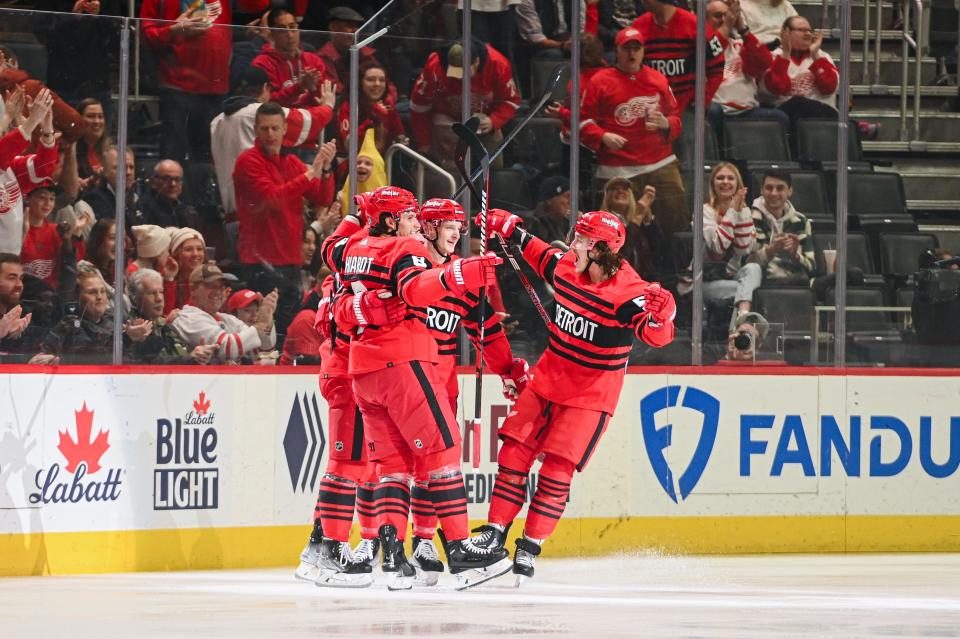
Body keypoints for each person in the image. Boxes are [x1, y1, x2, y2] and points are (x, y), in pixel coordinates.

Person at [468, 208, 675, 581]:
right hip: (547, 381)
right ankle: (494, 533)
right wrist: (511, 229)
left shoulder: (629, 292)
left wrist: (664, 318)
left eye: (580, 239)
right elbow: (541, 255)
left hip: (589, 398)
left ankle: (529, 547)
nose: (572, 244)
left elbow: (654, 336)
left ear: (598, 249)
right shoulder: (568, 268)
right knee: (514, 453)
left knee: (555, 472)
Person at [321, 186, 511, 590]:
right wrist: (459, 273)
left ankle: (393, 556)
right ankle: (459, 550)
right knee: (443, 453)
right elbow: (413, 288)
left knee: (393, 467)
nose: (414, 223)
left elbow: (330, 250)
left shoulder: (354, 248)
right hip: (405, 363)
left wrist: (356, 217)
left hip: (365, 370)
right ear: (392, 220)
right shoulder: (405, 249)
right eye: (409, 215)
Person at [408, 197, 529, 583]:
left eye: (460, 228)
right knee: (410, 466)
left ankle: (423, 541)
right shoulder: (407, 266)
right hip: (408, 378)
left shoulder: (460, 275)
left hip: (443, 383)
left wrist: (507, 369)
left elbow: (486, 330)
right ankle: (389, 543)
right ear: (427, 229)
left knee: (438, 466)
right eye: (449, 227)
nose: (457, 234)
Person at [233, 102, 336, 339]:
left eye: (275, 128)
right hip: (259, 261)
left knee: (284, 328)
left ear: (284, 129)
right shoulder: (248, 162)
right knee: (263, 329)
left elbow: (322, 195)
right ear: (256, 130)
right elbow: (273, 199)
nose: (270, 134)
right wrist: (311, 172)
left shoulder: (290, 163)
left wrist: (327, 169)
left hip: (289, 259)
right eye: (265, 128)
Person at [580, 27, 687, 233]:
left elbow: (676, 119)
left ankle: (679, 265)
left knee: (676, 223)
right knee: (613, 232)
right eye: (626, 48)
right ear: (616, 51)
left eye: (636, 48)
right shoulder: (599, 81)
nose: (632, 53)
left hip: (660, 164)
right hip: (617, 168)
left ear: (643, 51)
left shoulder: (658, 79)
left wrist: (665, 123)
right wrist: (602, 136)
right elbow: (581, 122)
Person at [210, 66, 334, 231]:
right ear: (265, 88)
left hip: (232, 216)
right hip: (259, 219)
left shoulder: (216, 122)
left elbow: (322, 196)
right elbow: (308, 123)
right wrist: (328, 106)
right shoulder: (257, 114)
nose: (270, 133)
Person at [140, 0, 232, 164]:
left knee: (210, 158)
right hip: (177, 85)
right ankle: (171, 190)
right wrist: (173, 30)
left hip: (216, 86)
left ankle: (204, 190)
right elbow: (146, 34)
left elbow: (257, 5)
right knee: (174, 154)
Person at [410, 39, 520, 168]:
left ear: (477, 62)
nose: (460, 78)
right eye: (455, 73)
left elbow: (510, 101)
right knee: (451, 163)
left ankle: (491, 182)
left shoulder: (498, 64)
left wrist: (494, 120)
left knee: (493, 157)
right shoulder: (435, 65)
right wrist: (424, 144)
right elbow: (419, 107)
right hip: (447, 117)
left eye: (465, 73)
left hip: (483, 118)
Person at [706, 0, 790, 137]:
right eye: (718, 16)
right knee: (712, 111)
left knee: (780, 118)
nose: (723, 20)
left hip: (746, 112)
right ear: (705, 20)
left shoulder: (741, 45)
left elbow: (765, 62)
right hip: (718, 110)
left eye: (727, 16)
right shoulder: (699, 46)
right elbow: (711, 52)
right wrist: (727, 26)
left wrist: (743, 29)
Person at [631, 0, 726, 114]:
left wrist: (702, 99)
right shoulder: (638, 26)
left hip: (686, 109)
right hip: (650, 109)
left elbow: (717, 67)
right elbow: (627, 71)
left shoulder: (695, 25)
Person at [696, 162, 760, 331]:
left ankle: (741, 317)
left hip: (732, 276)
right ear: (712, 184)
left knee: (754, 268)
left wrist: (742, 214)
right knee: (744, 290)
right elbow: (718, 246)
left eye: (730, 178)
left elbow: (744, 249)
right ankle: (738, 330)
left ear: (737, 185)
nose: (725, 182)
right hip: (707, 281)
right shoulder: (704, 212)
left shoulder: (744, 211)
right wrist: (732, 212)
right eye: (720, 178)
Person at [171, 264, 277, 364]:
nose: (217, 292)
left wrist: (268, 318)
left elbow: (260, 352)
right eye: (210, 286)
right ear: (193, 289)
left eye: (221, 287)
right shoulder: (187, 317)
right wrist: (261, 323)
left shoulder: (229, 319)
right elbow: (227, 349)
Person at [0, 87, 57, 254]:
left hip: (9, 264)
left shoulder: (11, 168)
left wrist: (46, 127)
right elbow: (4, 149)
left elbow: (43, 166)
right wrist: (31, 120)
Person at [126, 268, 215, 364]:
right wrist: (190, 360)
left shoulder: (166, 325)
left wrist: (200, 356)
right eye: (151, 293)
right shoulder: (130, 328)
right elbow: (155, 364)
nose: (159, 298)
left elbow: (184, 356)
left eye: (161, 292)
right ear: (135, 298)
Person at [762, 16, 839, 126]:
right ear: (786, 33)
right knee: (798, 103)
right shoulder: (773, 57)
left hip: (822, 115)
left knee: (801, 103)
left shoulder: (822, 56)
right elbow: (777, 88)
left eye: (810, 30)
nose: (808, 34)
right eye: (802, 30)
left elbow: (829, 88)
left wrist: (815, 56)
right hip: (787, 116)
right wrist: (785, 56)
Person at [747, 169, 814, 285]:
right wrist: (770, 251)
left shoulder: (801, 221)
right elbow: (744, 265)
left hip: (797, 281)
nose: (774, 193)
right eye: (769, 188)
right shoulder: (749, 218)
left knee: (853, 274)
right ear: (761, 190)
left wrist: (795, 255)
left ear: (790, 191)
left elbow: (811, 266)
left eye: (780, 188)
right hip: (762, 283)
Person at [252, 8, 328, 108]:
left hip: (311, 118)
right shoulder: (262, 64)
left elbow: (325, 98)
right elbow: (267, 104)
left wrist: (314, 88)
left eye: (293, 27)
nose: (290, 35)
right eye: (282, 30)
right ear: (272, 34)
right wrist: (300, 87)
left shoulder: (313, 60)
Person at [336, 60, 407, 155]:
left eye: (382, 80)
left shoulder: (388, 107)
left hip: (384, 163)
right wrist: (374, 116)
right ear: (359, 83)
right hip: (354, 164)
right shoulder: (349, 106)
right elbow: (348, 146)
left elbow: (399, 135)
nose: (377, 84)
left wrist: (402, 140)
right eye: (370, 79)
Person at [601, 178, 665, 283]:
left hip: (643, 285)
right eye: (614, 189)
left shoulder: (638, 223)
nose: (620, 191)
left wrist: (647, 215)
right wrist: (636, 219)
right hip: (618, 284)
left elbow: (660, 250)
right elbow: (621, 257)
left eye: (624, 189)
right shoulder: (602, 222)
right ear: (607, 197)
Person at [19, 183, 80, 288]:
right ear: (27, 199)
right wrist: (23, 233)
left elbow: (71, 266)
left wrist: (68, 239)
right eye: (42, 197)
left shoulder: (57, 230)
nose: (47, 203)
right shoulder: (16, 230)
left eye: (52, 198)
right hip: (23, 293)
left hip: (49, 297)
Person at [135, 160, 201, 229]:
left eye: (177, 179)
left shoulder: (188, 212)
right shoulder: (143, 209)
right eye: (166, 179)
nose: (173, 184)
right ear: (153, 181)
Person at [80, 145, 137, 223]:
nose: (128, 172)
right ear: (105, 171)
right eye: (121, 167)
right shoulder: (94, 200)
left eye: (131, 167)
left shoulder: (137, 199)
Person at [337, 128, 387, 212]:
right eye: (358, 162)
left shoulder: (387, 202)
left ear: (377, 169)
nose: (361, 166)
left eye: (368, 163)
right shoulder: (340, 197)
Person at [163, 227, 206, 314]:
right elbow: (165, 315)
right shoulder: (165, 280)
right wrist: (170, 279)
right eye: (188, 249)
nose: (195, 254)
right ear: (176, 254)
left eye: (199, 249)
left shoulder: (210, 278)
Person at [526, 176, 572, 245]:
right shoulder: (534, 225)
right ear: (549, 199)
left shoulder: (565, 223)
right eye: (567, 196)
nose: (570, 202)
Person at [74, 97, 109, 182]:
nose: (97, 121)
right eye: (91, 116)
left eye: (100, 116)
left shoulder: (111, 152)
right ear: (79, 119)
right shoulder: (70, 151)